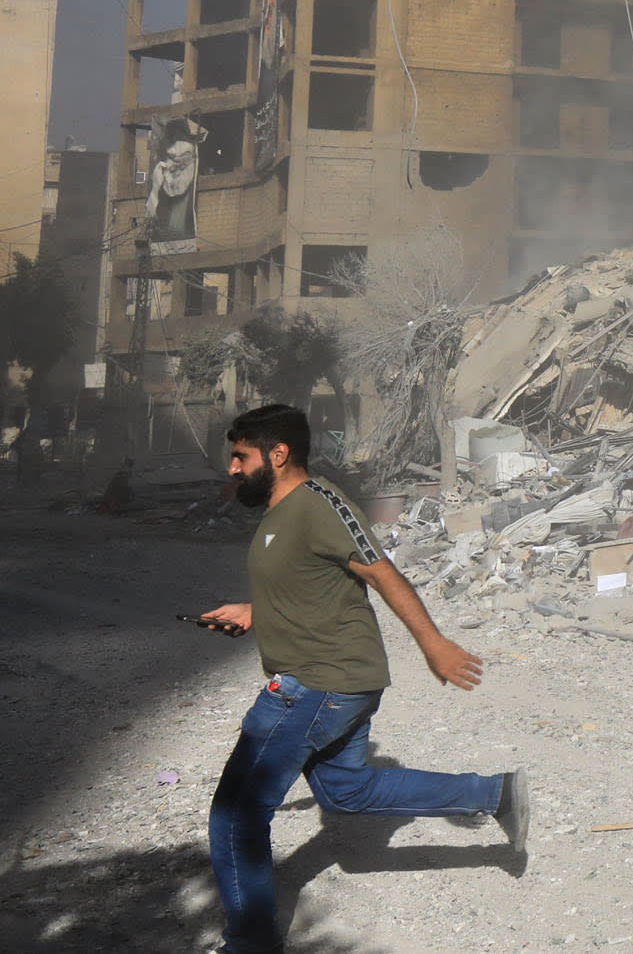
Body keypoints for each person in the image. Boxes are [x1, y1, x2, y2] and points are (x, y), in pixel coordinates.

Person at [200, 403, 531, 954]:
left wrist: (435, 644)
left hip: (318, 683)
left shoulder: (320, 503)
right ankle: (496, 794)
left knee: (235, 816)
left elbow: (382, 573)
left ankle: (249, 944)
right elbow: (305, 581)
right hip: (331, 680)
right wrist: (255, 610)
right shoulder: (279, 511)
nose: (232, 468)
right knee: (346, 790)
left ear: (278, 455)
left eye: (241, 456)